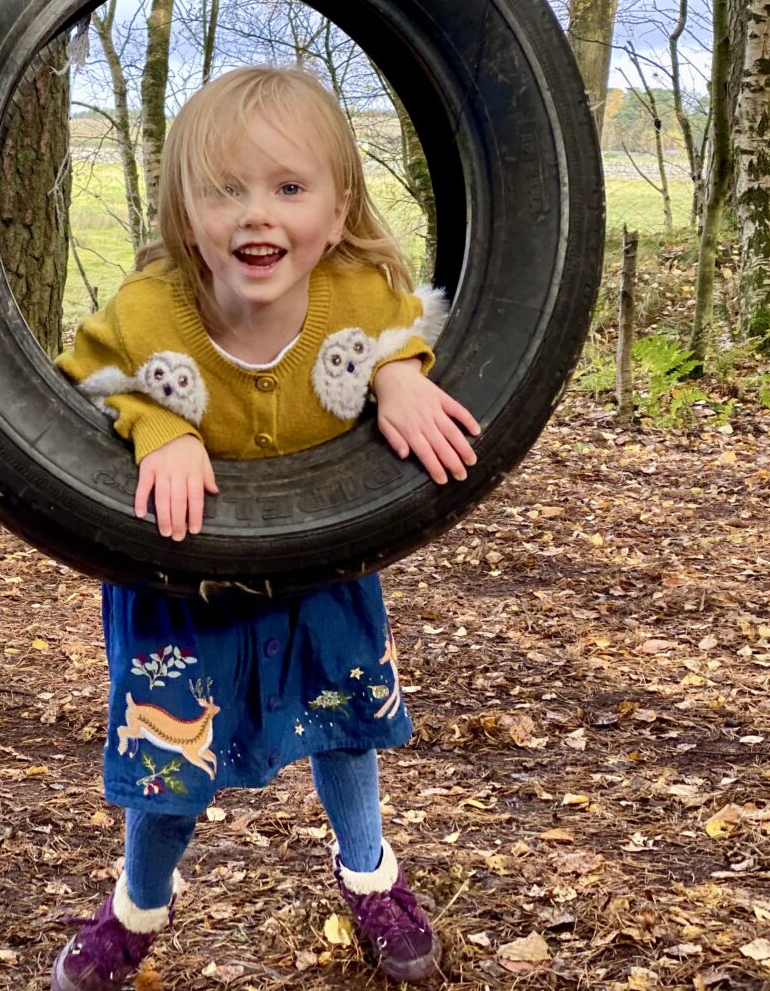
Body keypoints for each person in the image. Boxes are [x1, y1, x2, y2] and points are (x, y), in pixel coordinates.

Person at [49, 66, 480, 989]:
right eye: (226, 190)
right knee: (168, 760)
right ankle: (136, 909)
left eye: (289, 189)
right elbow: (69, 396)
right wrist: (158, 426)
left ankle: (368, 871)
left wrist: (400, 374)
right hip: (181, 579)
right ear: (184, 207)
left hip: (321, 570)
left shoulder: (358, 293)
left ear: (336, 209)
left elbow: (404, 327)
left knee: (345, 725)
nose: (258, 216)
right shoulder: (150, 309)